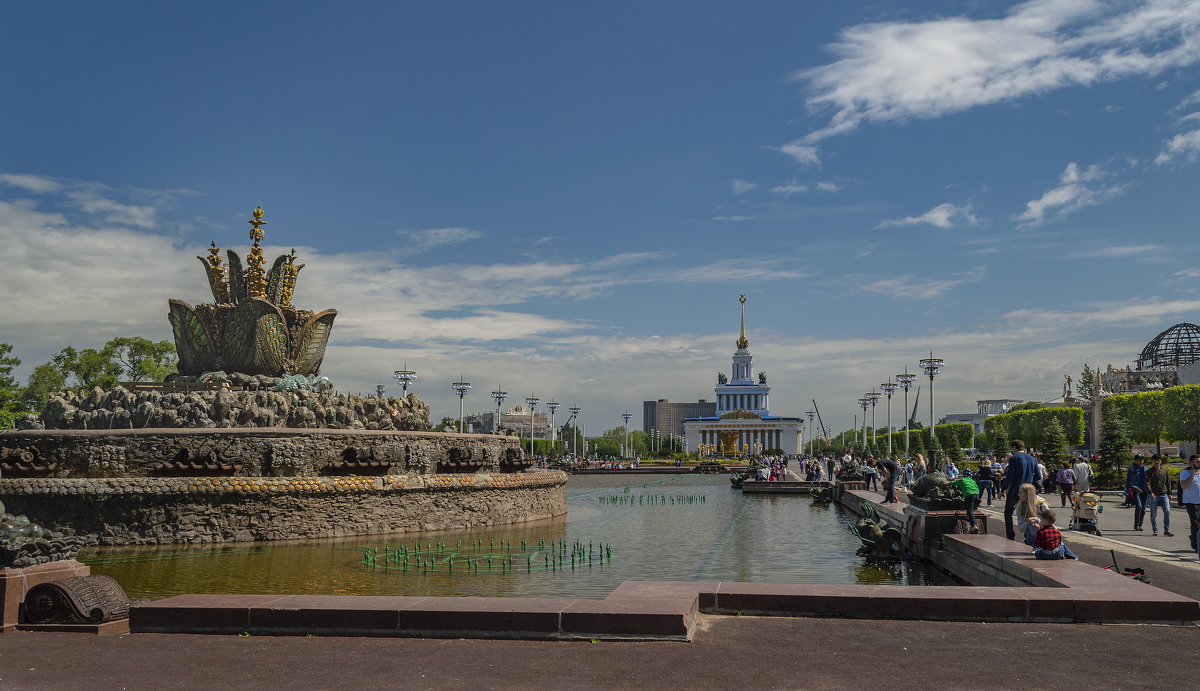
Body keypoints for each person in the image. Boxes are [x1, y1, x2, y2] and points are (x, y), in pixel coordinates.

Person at [1003, 440, 1039, 541]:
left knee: (1008, 512)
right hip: (1029, 489)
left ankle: (1010, 536)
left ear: (1015, 447)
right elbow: (1038, 476)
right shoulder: (1032, 459)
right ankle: (1029, 536)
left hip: (1016, 489)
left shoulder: (1014, 458)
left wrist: (1003, 489)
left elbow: (1009, 476)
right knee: (1030, 512)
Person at [1146, 454, 1173, 537]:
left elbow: (1168, 482)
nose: (1157, 462)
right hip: (1154, 495)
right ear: (1152, 462)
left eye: (1158, 460)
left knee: (1167, 511)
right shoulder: (1149, 472)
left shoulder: (1165, 471)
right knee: (1153, 514)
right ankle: (1155, 530)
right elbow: (1147, 483)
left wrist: (1169, 493)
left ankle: (1167, 530)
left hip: (1164, 494)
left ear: (1161, 461)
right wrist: (1150, 492)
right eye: (1155, 460)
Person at [1179, 454, 1200, 560]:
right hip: (1191, 502)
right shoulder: (1185, 472)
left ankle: (1194, 538)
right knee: (1195, 523)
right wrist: (1192, 475)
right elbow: (1184, 486)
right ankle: (1196, 545)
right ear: (1192, 462)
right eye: (1197, 461)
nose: (1199, 463)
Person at [1126, 454, 1148, 531]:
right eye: (1139, 460)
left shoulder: (1146, 469)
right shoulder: (1132, 469)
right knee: (1139, 506)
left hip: (1144, 491)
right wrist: (1135, 488)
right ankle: (1136, 525)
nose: (1141, 461)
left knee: (1144, 508)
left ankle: (1140, 524)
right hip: (1136, 491)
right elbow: (1130, 481)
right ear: (1136, 461)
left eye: (1142, 460)